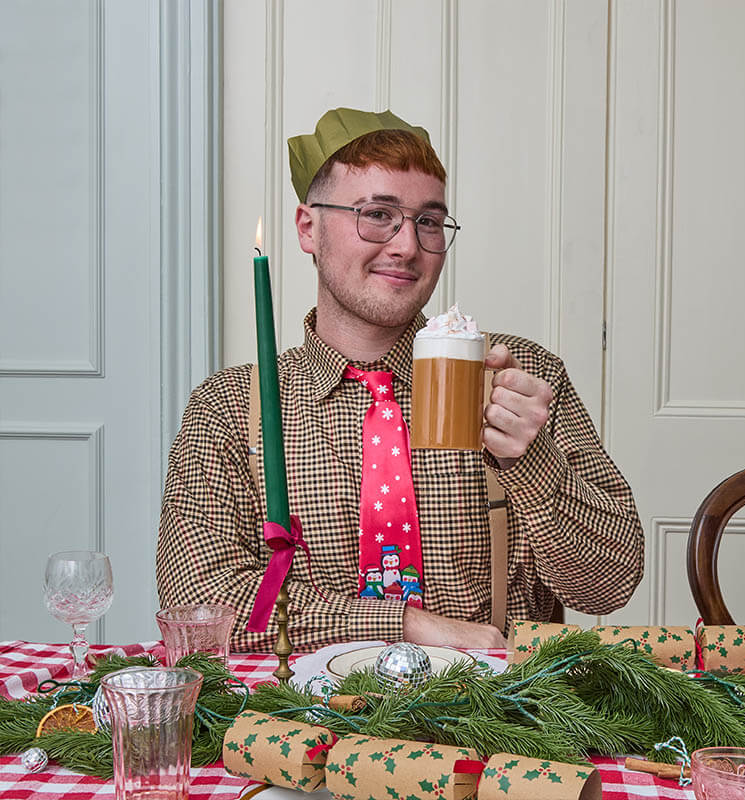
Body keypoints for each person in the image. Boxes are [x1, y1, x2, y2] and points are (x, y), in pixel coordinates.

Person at [156, 107, 644, 652]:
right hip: (302, 723)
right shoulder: (229, 407)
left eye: (428, 221)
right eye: (377, 214)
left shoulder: (518, 378)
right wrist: (404, 626)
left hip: (495, 725)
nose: (407, 246)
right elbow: (197, 605)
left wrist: (529, 465)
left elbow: (611, 583)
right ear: (308, 228)